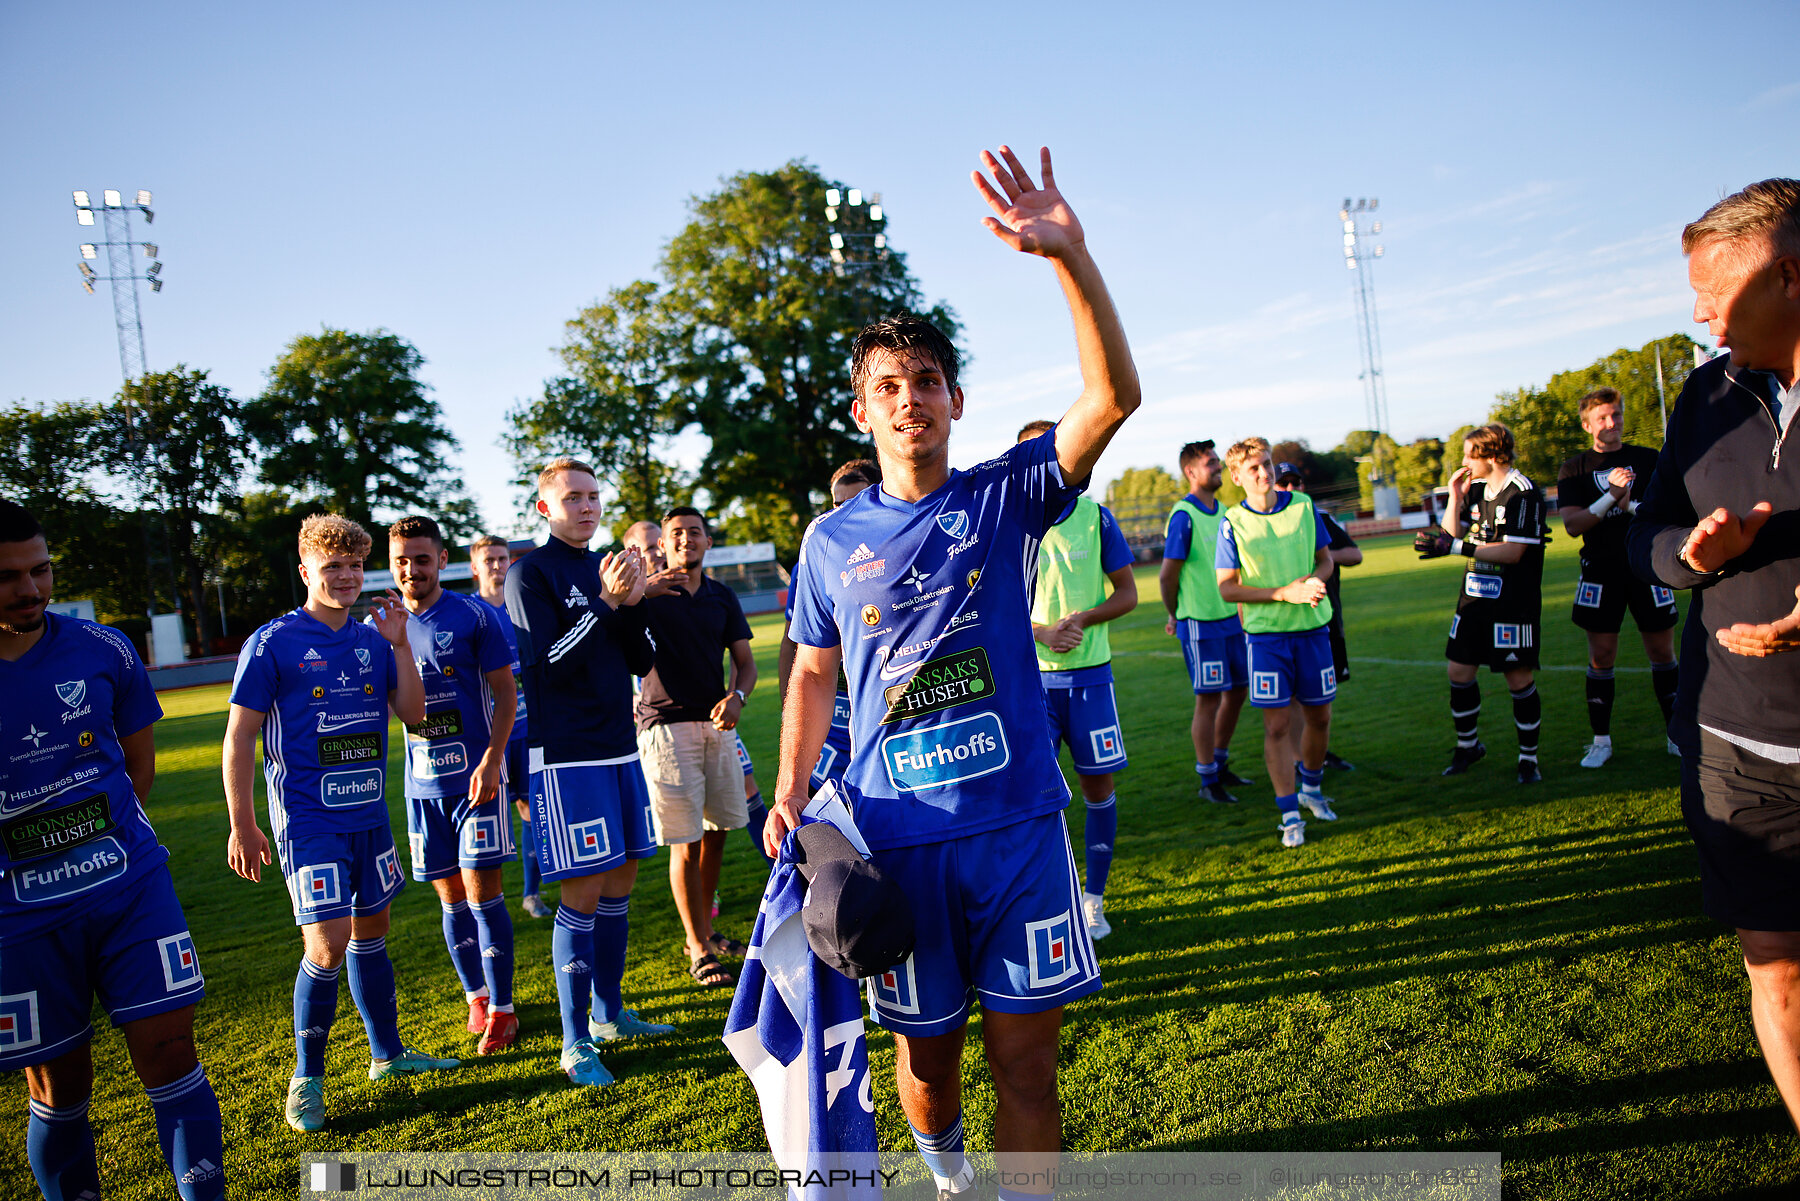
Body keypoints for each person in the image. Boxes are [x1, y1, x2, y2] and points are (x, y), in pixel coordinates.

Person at [771, 145, 1139, 1188]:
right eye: (887, 386)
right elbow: (808, 671)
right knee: (927, 1068)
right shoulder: (830, 541)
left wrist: (1068, 255)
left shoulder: (1005, 495)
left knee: (1029, 1067)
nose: (908, 399)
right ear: (862, 411)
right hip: (901, 844)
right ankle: (948, 1172)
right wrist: (794, 785)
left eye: (926, 380)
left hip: (1017, 828)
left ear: (956, 398)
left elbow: (1112, 398)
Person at [1626, 177, 1800, 1131]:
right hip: (1735, 741)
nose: (1698, 313)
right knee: (1774, 967)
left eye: (1716, 292)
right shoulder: (1706, 394)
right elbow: (1648, 529)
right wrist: (1690, 557)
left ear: (1793, 277)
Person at [0, 500, 225, 1200]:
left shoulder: (104, 648)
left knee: (170, 1050)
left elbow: (139, 767)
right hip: (19, 916)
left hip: (127, 886)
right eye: (8, 577)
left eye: (40, 570)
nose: (31, 589)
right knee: (60, 1082)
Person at [224, 514, 458, 1132]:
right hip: (307, 820)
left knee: (372, 929)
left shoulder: (376, 637)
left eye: (356, 565)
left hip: (367, 817)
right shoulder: (272, 642)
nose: (347, 576)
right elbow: (240, 736)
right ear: (305, 572)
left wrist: (402, 643)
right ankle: (307, 1079)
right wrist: (242, 824)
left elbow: (414, 715)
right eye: (333, 567)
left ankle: (388, 1055)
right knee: (325, 945)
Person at [505, 459, 673, 1087]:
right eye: (572, 498)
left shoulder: (604, 564)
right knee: (582, 889)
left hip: (619, 748)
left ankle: (609, 1014)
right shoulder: (530, 572)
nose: (586, 507)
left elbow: (639, 657)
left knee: (622, 880)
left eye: (593, 497)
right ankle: (574, 1042)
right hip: (566, 755)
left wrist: (630, 606)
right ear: (545, 507)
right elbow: (548, 663)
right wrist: (606, 600)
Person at [388, 516, 519, 1055]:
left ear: (442, 560)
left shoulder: (474, 616)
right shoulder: (380, 625)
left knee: (483, 895)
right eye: (401, 559)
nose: (411, 569)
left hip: (477, 780)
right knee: (449, 898)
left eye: (422, 558)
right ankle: (477, 996)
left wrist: (492, 759)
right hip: (421, 786)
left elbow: (507, 696)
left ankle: (505, 1009)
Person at [1018, 419, 1138, 940]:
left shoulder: (1095, 516)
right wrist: (1042, 632)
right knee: (1035, 795)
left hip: (1091, 681)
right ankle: (1052, 897)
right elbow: (988, 608)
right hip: (1032, 684)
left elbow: (1128, 593)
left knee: (1098, 788)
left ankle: (1094, 900)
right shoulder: (1010, 523)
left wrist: (1083, 620)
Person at [636, 507, 758, 988]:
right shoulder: (645, 595)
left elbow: (745, 664)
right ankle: (698, 947)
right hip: (665, 727)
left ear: (708, 542)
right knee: (684, 842)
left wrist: (738, 696)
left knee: (718, 832)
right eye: (675, 534)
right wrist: (637, 595)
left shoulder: (721, 596)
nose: (686, 539)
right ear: (662, 544)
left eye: (694, 532)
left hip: (717, 725)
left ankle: (705, 930)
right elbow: (611, 636)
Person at [1216, 438, 1340, 848]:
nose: (1264, 473)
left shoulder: (1304, 508)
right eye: (1253, 469)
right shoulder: (1232, 522)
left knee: (1320, 718)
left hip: (1313, 631)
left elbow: (1327, 559)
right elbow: (1228, 589)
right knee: (1277, 725)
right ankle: (1289, 813)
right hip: (1266, 638)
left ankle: (1312, 790)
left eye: (1266, 464)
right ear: (1236, 477)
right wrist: (1281, 593)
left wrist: (1316, 581)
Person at [1415, 424, 1548, 784]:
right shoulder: (1474, 489)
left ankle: (1528, 760)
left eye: (1467, 453)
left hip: (1512, 603)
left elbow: (1514, 552)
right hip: (1473, 599)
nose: (1462, 461)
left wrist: (1454, 549)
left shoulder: (1523, 492)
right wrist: (1456, 498)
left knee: (1518, 677)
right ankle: (1468, 746)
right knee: (1458, 672)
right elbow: (1450, 534)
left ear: (1491, 455)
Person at [1555, 387, 1680, 767]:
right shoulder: (1574, 469)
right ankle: (1601, 741)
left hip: (1648, 567)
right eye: (1603, 418)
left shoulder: (1647, 459)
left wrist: (1630, 505)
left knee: (1662, 652)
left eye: (1616, 415)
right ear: (1587, 424)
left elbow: (1667, 512)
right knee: (1602, 655)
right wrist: (1611, 498)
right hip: (1600, 571)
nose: (1612, 423)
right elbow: (1573, 525)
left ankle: (1675, 736)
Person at [777, 458, 881, 797]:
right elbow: (793, 644)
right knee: (831, 809)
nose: (845, 511)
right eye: (838, 503)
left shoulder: (901, 551)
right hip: (832, 709)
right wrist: (790, 713)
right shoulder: (814, 560)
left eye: (856, 500)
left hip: (887, 706)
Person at [1160, 439, 1254, 804]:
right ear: (1191, 472)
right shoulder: (1184, 515)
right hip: (1200, 624)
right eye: (1211, 462)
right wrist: (1175, 612)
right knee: (1209, 699)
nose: (1217, 468)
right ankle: (1207, 779)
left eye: (1217, 462)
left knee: (1239, 691)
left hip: (1231, 619)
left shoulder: (1226, 512)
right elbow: (1168, 575)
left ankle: (1220, 761)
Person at [471, 533, 552, 918]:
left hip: (528, 730)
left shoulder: (522, 608)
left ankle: (531, 893)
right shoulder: (469, 613)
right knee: (483, 820)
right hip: (483, 739)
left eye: (502, 558)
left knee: (531, 810)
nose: (497, 565)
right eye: (488, 559)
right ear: (475, 567)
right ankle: (482, 899)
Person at [1274, 461, 1361, 772]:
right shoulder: (1266, 523)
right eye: (1283, 483)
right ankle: (1301, 759)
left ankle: (1317, 754)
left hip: (1325, 618)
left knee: (1321, 698)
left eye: (1295, 483)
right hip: (1286, 623)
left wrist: (1322, 555)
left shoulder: (1319, 517)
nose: (1290, 489)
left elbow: (1355, 555)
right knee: (1295, 697)